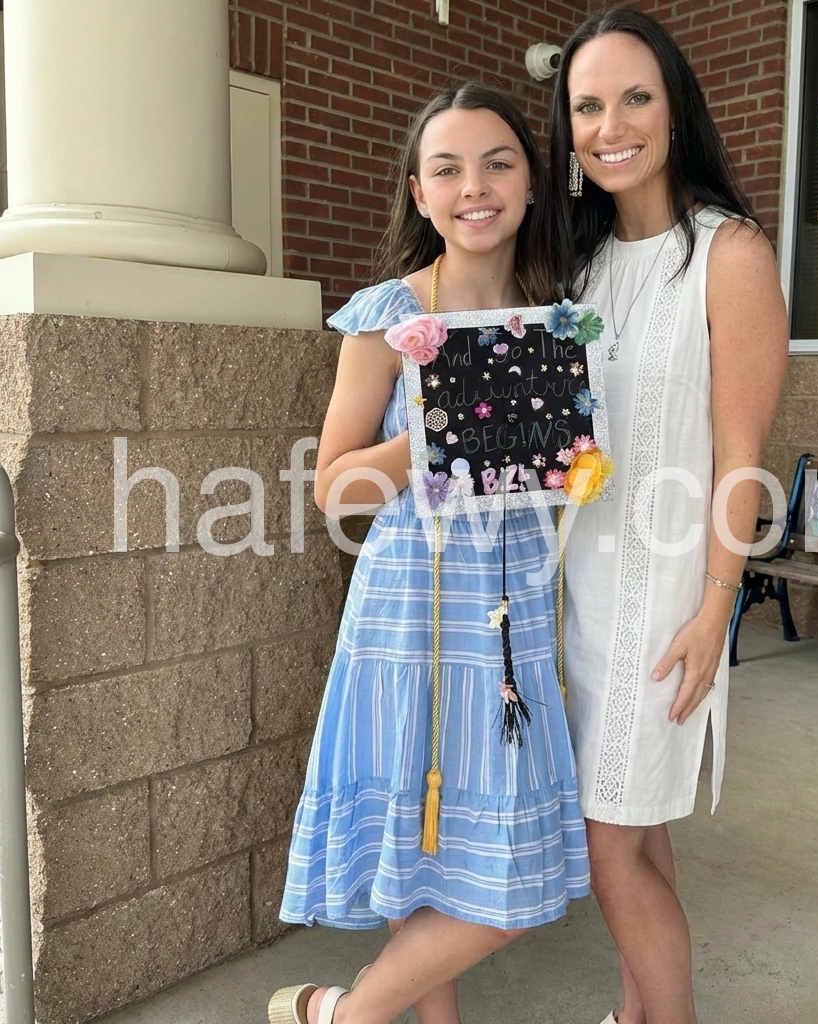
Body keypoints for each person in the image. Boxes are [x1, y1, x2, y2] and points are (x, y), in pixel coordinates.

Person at [269, 83, 590, 1024]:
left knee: (511, 880)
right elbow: (333, 488)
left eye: (498, 163)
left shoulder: (557, 319)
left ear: (531, 182)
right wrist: (439, 435)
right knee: (419, 839)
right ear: (420, 193)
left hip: (516, 605)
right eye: (447, 169)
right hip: (409, 602)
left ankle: (347, 1014)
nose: (473, 188)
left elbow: (562, 468)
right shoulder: (389, 315)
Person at [548, 9, 789, 1024]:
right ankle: (635, 1012)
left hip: (665, 608)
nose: (611, 126)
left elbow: (741, 458)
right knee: (636, 830)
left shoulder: (729, 254)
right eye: (587, 106)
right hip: (582, 597)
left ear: (676, 108)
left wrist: (715, 610)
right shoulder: (578, 269)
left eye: (635, 97)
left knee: (606, 844)